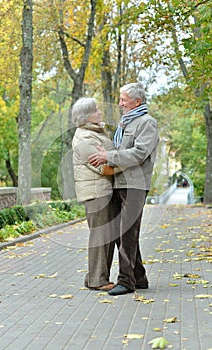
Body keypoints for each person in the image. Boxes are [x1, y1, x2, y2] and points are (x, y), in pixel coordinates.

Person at [88, 82, 159, 295]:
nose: (120, 103)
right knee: (122, 233)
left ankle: (126, 281)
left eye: (123, 99)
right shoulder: (126, 124)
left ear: (137, 101)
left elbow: (139, 154)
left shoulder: (147, 123)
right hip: (120, 182)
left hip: (135, 185)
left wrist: (108, 156)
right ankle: (139, 277)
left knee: (127, 232)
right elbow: (123, 151)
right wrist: (107, 151)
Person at [72, 97, 119, 291]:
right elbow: (105, 168)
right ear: (85, 116)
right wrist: (127, 162)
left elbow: (110, 156)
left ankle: (94, 277)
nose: (100, 112)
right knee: (101, 236)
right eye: (95, 110)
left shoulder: (95, 132)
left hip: (103, 191)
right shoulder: (84, 138)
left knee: (105, 235)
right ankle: (98, 280)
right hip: (96, 193)